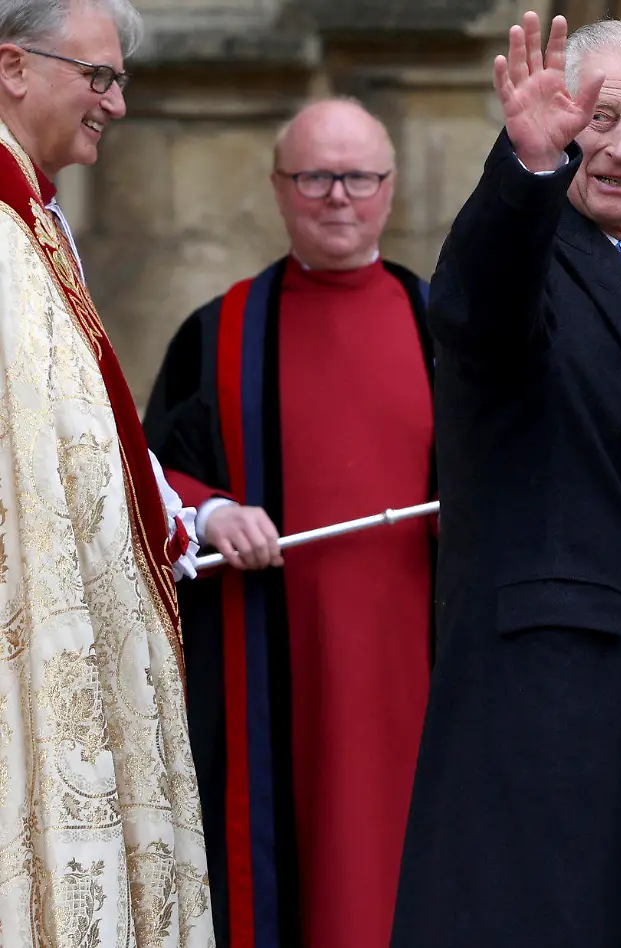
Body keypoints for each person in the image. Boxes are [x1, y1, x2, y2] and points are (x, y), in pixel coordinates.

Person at [389, 12, 621, 948]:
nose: (618, 148)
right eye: (597, 119)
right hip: (535, 694)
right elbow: (479, 307)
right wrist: (525, 169)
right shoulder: (532, 252)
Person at [141, 97, 435, 948]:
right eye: (314, 176)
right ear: (278, 187)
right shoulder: (218, 335)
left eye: (357, 177)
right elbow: (152, 476)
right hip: (269, 676)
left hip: (414, 675)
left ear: (389, 188)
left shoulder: (445, 331)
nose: (337, 196)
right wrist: (213, 510)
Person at [0, 0, 214, 942]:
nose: (117, 104)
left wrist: (180, 518)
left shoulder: (36, 223)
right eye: (99, 77)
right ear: (13, 66)